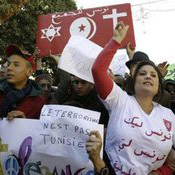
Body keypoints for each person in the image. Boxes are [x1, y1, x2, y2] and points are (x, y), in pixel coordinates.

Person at [91, 21, 175, 174]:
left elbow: (172, 163)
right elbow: (98, 70)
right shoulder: (119, 100)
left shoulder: (168, 115)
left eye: (153, 75)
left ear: (158, 85)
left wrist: (161, 173)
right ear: (133, 81)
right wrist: (115, 41)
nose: (148, 76)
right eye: (142, 74)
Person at [0, 45, 45, 120]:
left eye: (16, 65)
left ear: (29, 72)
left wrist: (24, 124)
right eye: (8, 64)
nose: (9, 68)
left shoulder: (39, 103)